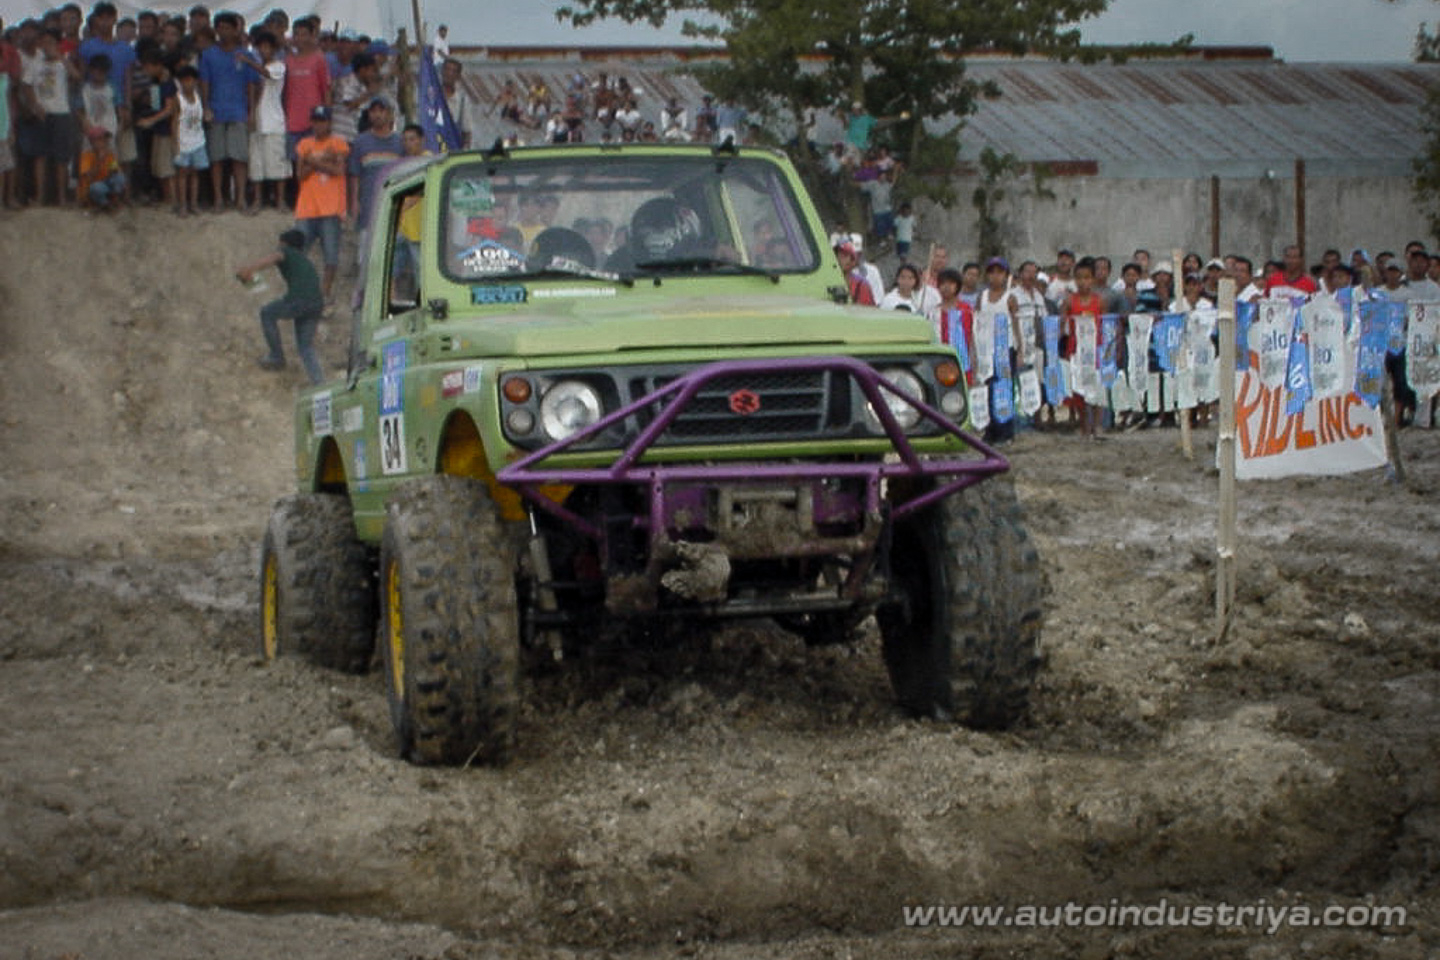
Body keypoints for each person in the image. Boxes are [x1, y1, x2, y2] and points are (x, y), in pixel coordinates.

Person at [236, 228, 327, 384]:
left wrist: (249, 269)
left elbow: (274, 258)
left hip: (298, 299)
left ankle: (276, 357)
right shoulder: (304, 260)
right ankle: (319, 382)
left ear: (285, 243)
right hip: (316, 303)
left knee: (267, 313)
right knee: (305, 347)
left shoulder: (286, 252)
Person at [293, 104, 349, 301]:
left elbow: (338, 170)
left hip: (331, 208)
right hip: (306, 208)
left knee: (331, 256)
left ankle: (324, 293)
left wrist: (313, 161)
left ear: (329, 123)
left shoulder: (339, 143)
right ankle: (302, 290)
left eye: (323, 121)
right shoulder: (304, 144)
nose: (319, 125)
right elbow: (300, 175)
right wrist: (325, 160)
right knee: (298, 252)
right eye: (316, 121)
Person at [199, 11, 250, 210]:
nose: (223, 32)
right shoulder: (209, 54)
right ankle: (219, 198)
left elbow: (252, 85)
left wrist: (251, 111)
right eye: (220, 28)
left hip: (238, 110)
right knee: (217, 158)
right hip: (217, 110)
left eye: (227, 28)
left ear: (236, 30)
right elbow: (205, 82)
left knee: (239, 158)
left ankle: (240, 198)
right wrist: (206, 107)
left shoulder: (245, 55)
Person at [22, 27, 78, 206]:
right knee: (40, 156)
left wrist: (60, 56)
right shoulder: (35, 63)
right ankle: (40, 197)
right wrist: (34, 105)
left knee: (61, 157)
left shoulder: (63, 62)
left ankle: (61, 197)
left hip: (61, 112)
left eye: (50, 43)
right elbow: (26, 85)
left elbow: (76, 76)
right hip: (42, 113)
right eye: (44, 42)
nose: (47, 46)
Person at [242, 30, 289, 210]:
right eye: (260, 47)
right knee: (257, 164)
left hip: (275, 121)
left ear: (274, 49)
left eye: (267, 47)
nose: (264, 50)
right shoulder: (256, 69)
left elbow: (268, 74)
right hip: (257, 120)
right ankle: (257, 201)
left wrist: (248, 61)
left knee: (278, 163)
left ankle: (280, 200)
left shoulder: (278, 66)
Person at [1063, 257, 1107, 439]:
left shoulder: (1100, 301)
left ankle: (1097, 424)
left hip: (1095, 349)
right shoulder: (1069, 302)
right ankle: (1084, 424)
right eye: (1079, 278)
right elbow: (1063, 327)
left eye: (1087, 278)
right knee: (1079, 389)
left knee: (1097, 386)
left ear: (1093, 279)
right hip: (1076, 349)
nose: (1083, 282)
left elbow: (1105, 326)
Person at [170, 64, 209, 215]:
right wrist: (176, 143)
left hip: (198, 141)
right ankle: (183, 205)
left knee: (195, 174)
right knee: (182, 175)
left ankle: (193, 204)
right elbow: (174, 122)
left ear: (196, 81)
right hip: (184, 142)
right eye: (185, 80)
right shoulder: (178, 99)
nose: (188, 83)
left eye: (191, 80)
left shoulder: (198, 97)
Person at [78, 125, 125, 210]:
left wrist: (113, 165)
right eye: (101, 139)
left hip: (105, 185)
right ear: (93, 142)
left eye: (105, 139)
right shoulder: (86, 156)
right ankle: (105, 205)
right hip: (92, 188)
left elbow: (116, 172)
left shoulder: (109, 154)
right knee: (96, 188)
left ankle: (114, 201)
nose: (105, 141)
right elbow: (88, 177)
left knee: (120, 178)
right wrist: (100, 160)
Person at [835, 239, 875, 306]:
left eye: (844, 256)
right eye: (837, 254)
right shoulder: (827, 278)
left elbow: (868, 312)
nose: (839, 258)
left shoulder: (861, 285)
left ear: (853, 262)